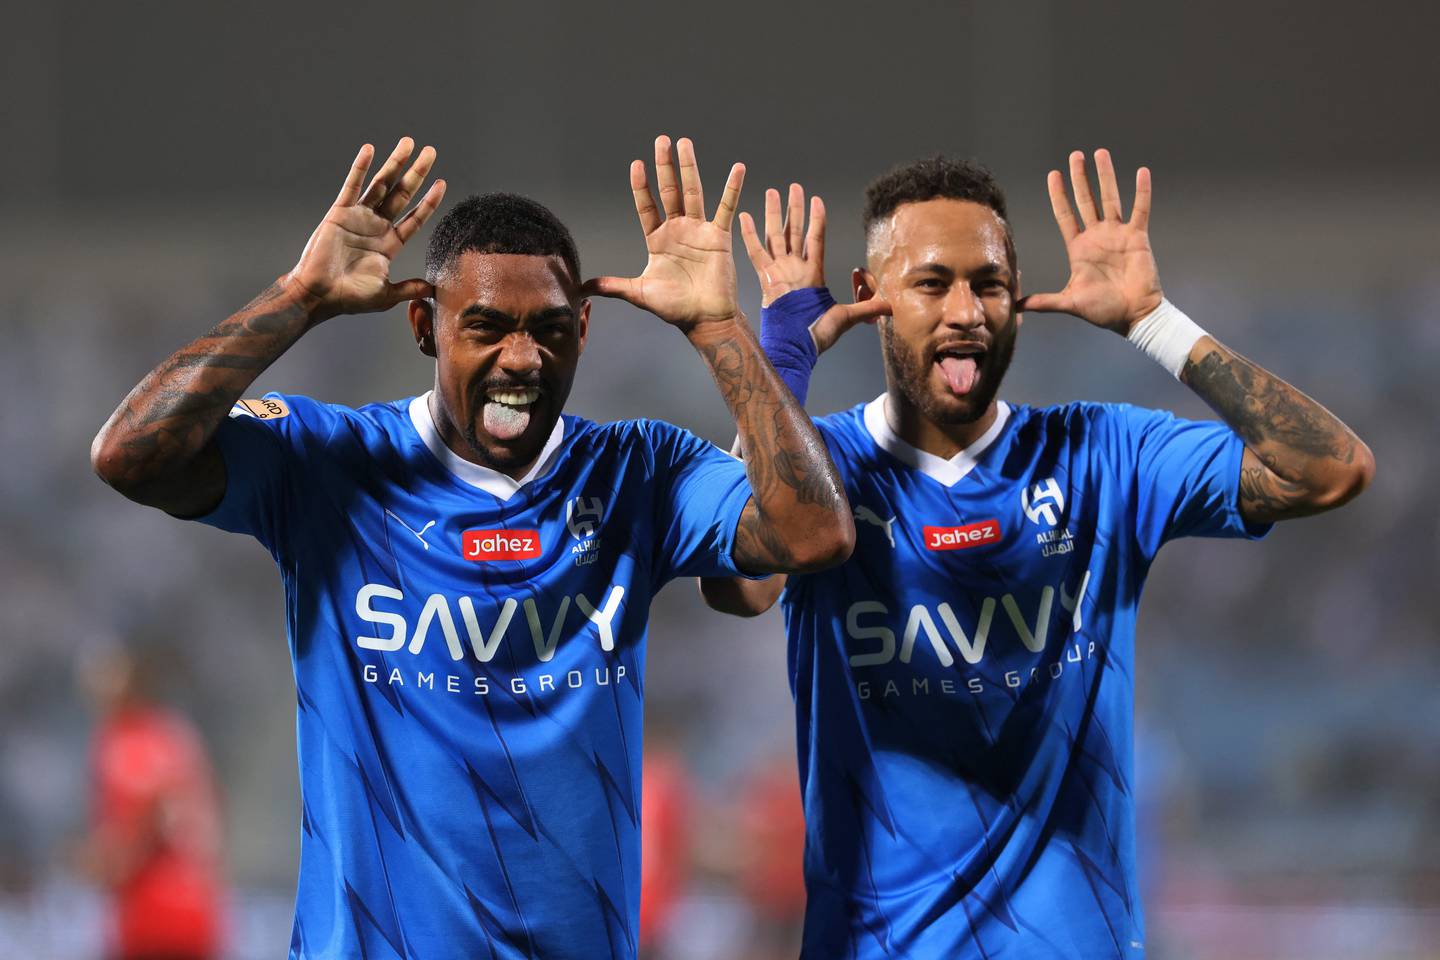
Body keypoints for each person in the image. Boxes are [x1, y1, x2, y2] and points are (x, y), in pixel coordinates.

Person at [90, 135, 854, 958]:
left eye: (549, 330)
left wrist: (718, 326)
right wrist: (301, 295)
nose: (520, 358)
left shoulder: (640, 471)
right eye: (485, 326)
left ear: (585, 330)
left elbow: (812, 533)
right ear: (423, 324)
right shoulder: (333, 465)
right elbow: (130, 455)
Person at [700, 151, 1374, 957]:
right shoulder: (825, 475)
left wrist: (1156, 322)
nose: (966, 310)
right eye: (931, 282)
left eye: (988, 283)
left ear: (1017, 298)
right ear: (870, 298)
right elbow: (738, 585)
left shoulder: (1102, 454)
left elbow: (1331, 471)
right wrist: (781, 371)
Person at [80, 643, 225, 960]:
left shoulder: (126, 745)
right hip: (192, 912)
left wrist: (110, 861)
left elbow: (155, 814)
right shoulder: (177, 735)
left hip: (155, 917)